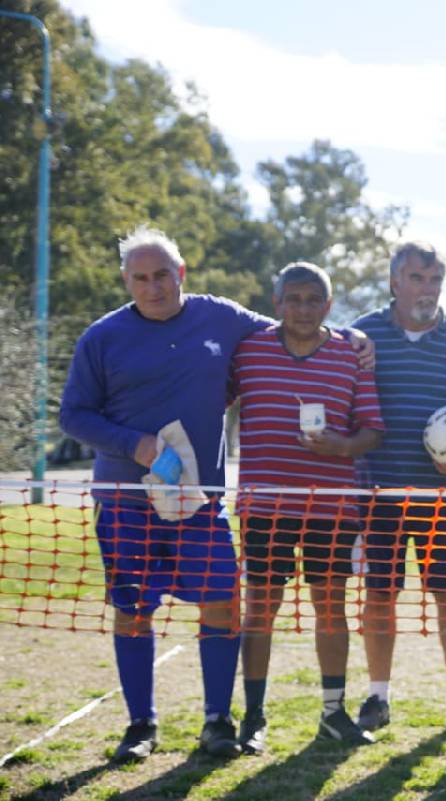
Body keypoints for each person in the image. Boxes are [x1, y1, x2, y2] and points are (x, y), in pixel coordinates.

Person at [59, 226, 273, 761]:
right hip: (126, 502)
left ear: (181, 273)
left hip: (199, 505)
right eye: (140, 278)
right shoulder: (101, 337)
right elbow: (73, 416)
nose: (153, 286)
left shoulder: (220, 316)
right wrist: (136, 445)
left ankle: (216, 722)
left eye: (162, 275)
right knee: (133, 610)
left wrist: (353, 342)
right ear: (127, 282)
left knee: (223, 602)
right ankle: (140, 725)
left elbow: (291, 333)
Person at [231, 262, 385, 753]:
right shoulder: (248, 351)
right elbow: (208, 398)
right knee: (260, 610)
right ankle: (253, 717)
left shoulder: (350, 356)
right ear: (276, 303)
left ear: (328, 304)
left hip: (330, 509)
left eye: (313, 298)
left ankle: (333, 714)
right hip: (265, 507)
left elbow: (372, 431)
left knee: (330, 609)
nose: (302, 307)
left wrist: (340, 447)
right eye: (292, 298)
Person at [352, 240, 446, 735]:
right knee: (379, 596)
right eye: (417, 278)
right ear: (395, 281)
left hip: (444, 499)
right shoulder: (361, 335)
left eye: (435, 279)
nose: (428, 289)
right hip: (379, 494)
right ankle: (376, 698)